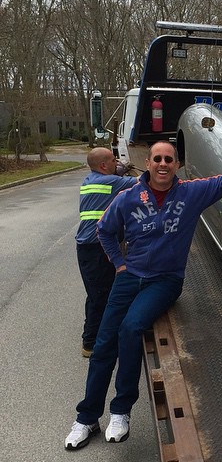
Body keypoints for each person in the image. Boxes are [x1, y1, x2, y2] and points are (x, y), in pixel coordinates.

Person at [65, 141, 222, 450]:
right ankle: (87, 417)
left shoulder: (190, 193)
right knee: (104, 341)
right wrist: (119, 264)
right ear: (147, 162)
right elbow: (104, 229)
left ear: (176, 165)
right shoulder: (128, 197)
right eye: (157, 158)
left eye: (168, 159)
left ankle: (120, 411)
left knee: (131, 328)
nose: (163, 164)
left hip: (165, 281)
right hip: (130, 276)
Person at [76, 148, 138, 357]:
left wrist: (118, 169)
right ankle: (90, 344)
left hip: (89, 248)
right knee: (100, 297)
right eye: (113, 160)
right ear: (104, 166)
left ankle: (96, 337)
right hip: (95, 249)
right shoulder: (110, 183)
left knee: (99, 293)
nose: (117, 162)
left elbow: (114, 176)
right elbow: (142, 181)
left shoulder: (90, 180)